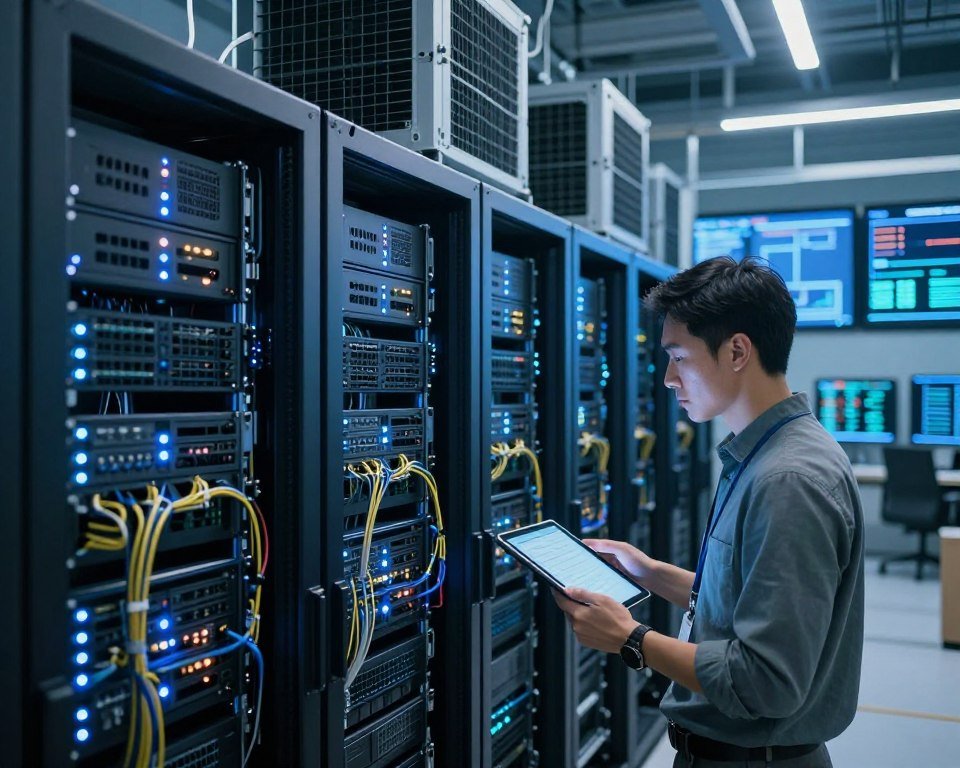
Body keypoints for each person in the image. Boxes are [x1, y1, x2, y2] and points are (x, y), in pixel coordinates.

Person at [554, 256, 864, 767]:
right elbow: (747, 597)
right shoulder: (762, 454)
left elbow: (765, 680)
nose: (669, 379)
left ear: (737, 351)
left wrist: (632, 639)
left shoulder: (788, 479)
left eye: (679, 356)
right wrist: (648, 572)